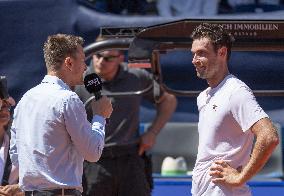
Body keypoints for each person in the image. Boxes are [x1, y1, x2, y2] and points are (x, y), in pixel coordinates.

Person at [9, 34, 113, 196]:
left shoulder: (26, 99)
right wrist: (100, 116)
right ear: (69, 63)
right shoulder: (68, 99)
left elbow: (16, 156)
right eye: (83, 60)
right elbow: (93, 153)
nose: (86, 67)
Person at [75, 36, 177, 196]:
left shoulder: (136, 77)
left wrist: (152, 132)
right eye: (98, 55)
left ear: (120, 58)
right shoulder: (78, 79)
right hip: (93, 162)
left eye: (108, 58)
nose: (101, 61)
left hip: (131, 159)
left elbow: (168, 100)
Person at [190, 23, 279, 196]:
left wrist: (240, 177)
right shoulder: (203, 97)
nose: (194, 60)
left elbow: (269, 137)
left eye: (201, 53)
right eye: (193, 54)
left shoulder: (236, 92)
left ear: (222, 53)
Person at [0, 76, 22, 195]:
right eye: (1, 106)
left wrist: (19, 190)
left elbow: (38, 185)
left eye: (7, 106)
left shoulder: (19, 142)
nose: (5, 110)